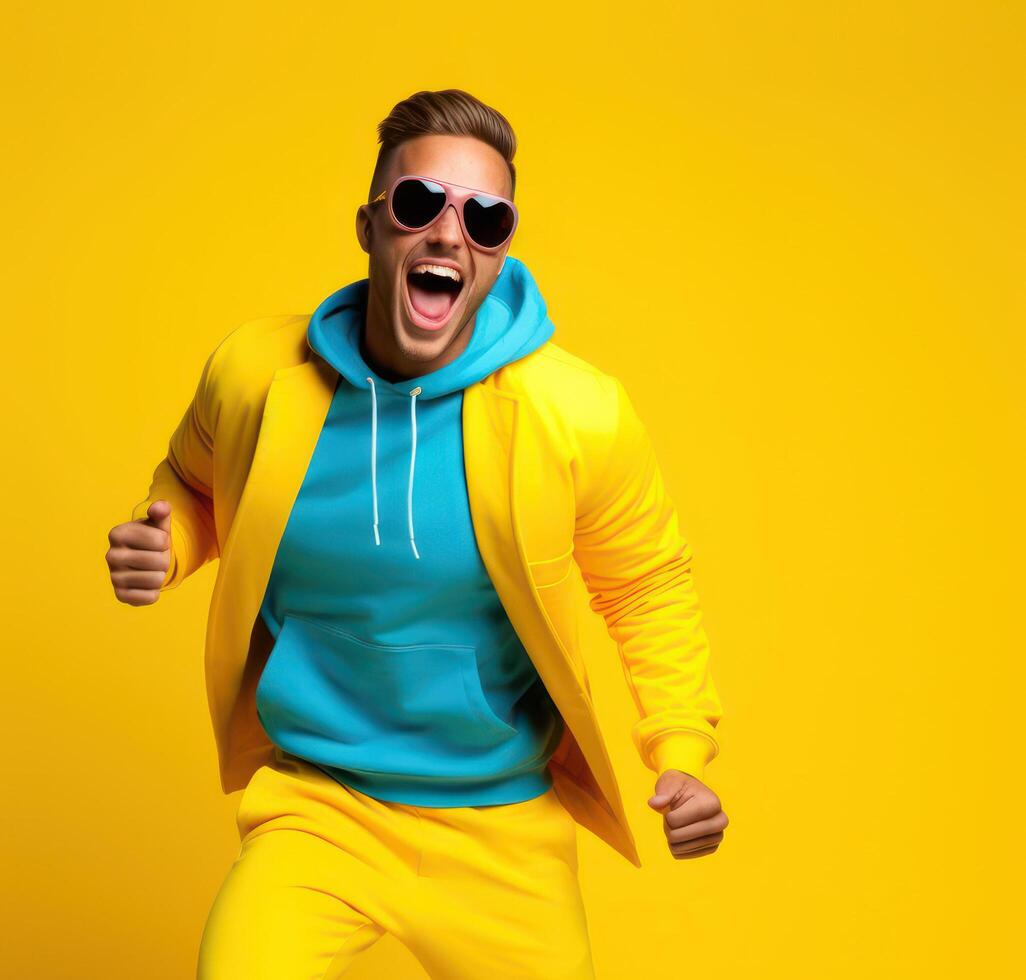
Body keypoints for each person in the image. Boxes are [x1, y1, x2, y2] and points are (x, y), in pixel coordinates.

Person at [103, 89, 728, 979]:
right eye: (419, 203)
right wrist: (166, 549)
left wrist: (681, 751)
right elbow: (195, 487)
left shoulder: (577, 414)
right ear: (370, 226)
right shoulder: (255, 379)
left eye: (486, 217)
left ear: (503, 249)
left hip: (504, 830)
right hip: (321, 810)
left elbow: (645, 584)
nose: (449, 233)